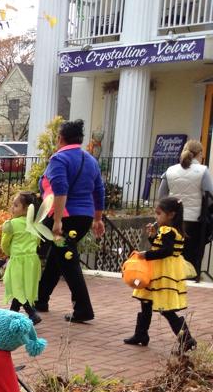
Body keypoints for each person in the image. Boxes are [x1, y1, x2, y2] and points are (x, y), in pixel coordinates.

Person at [34, 119, 106, 323]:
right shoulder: (90, 160)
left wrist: (57, 221)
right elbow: (99, 189)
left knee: (69, 261)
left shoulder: (59, 159)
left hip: (65, 217)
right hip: (84, 218)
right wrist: (98, 219)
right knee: (59, 257)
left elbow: (60, 189)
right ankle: (41, 298)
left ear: (60, 138)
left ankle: (83, 308)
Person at [123, 196, 197, 350]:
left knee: (166, 309)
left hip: (162, 272)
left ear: (171, 215)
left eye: (159, 214)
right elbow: (160, 245)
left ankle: (187, 339)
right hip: (161, 270)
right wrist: (153, 236)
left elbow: (166, 251)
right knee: (146, 302)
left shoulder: (168, 230)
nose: (156, 217)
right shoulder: (171, 231)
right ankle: (141, 334)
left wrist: (146, 254)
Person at [158, 139, 213, 281]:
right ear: (199, 153)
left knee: (172, 251)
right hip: (194, 221)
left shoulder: (170, 170)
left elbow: (161, 195)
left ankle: (169, 277)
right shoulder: (203, 171)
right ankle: (190, 279)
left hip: (173, 219)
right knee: (191, 255)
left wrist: (169, 212)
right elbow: (210, 196)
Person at [2, 191, 48, 325]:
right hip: (32, 261)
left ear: (27, 209)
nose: (12, 208)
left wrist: (8, 253)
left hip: (17, 260)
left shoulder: (12, 224)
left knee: (17, 287)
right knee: (23, 287)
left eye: (16, 205)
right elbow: (38, 242)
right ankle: (13, 315)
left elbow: (4, 243)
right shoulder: (35, 225)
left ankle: (31, 312)